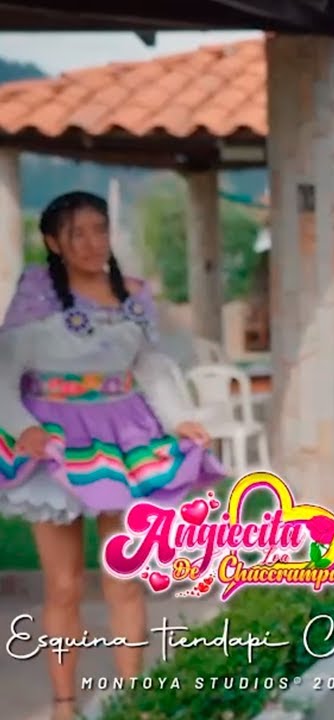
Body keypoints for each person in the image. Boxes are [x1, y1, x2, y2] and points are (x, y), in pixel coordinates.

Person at [0, 191, 225, 720]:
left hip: (125, 439)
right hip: (55, 442)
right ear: (53, 242)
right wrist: (24, 429)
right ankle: (63, 704)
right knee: (63, 585)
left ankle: (133, 700)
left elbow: (152, 367)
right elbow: (4, 374)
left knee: (124, 577)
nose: (91, 242)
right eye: (76, 233)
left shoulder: (133, 297)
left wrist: (179, 419)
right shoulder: (34, 296)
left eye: (99, 230)